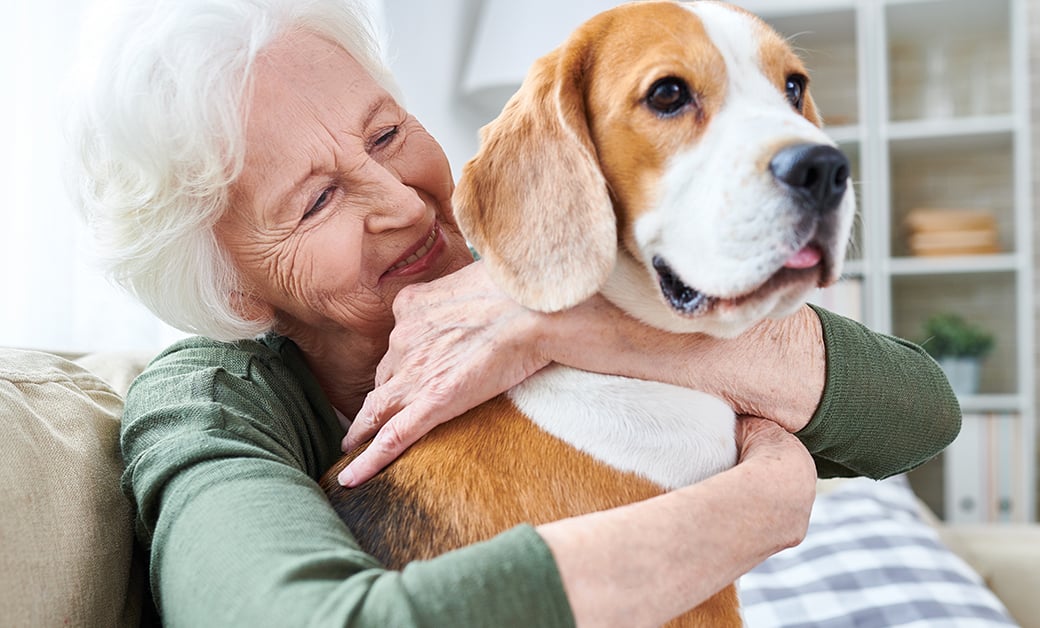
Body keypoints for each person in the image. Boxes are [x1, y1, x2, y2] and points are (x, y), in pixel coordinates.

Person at [69, 0, 960, 625]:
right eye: (316, 201)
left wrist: (562, 320)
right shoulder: (206, 404)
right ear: (234, 285)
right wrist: (762, 504)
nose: (404, 203)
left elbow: (920, 412)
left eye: (385, 134)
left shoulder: (550, 261)